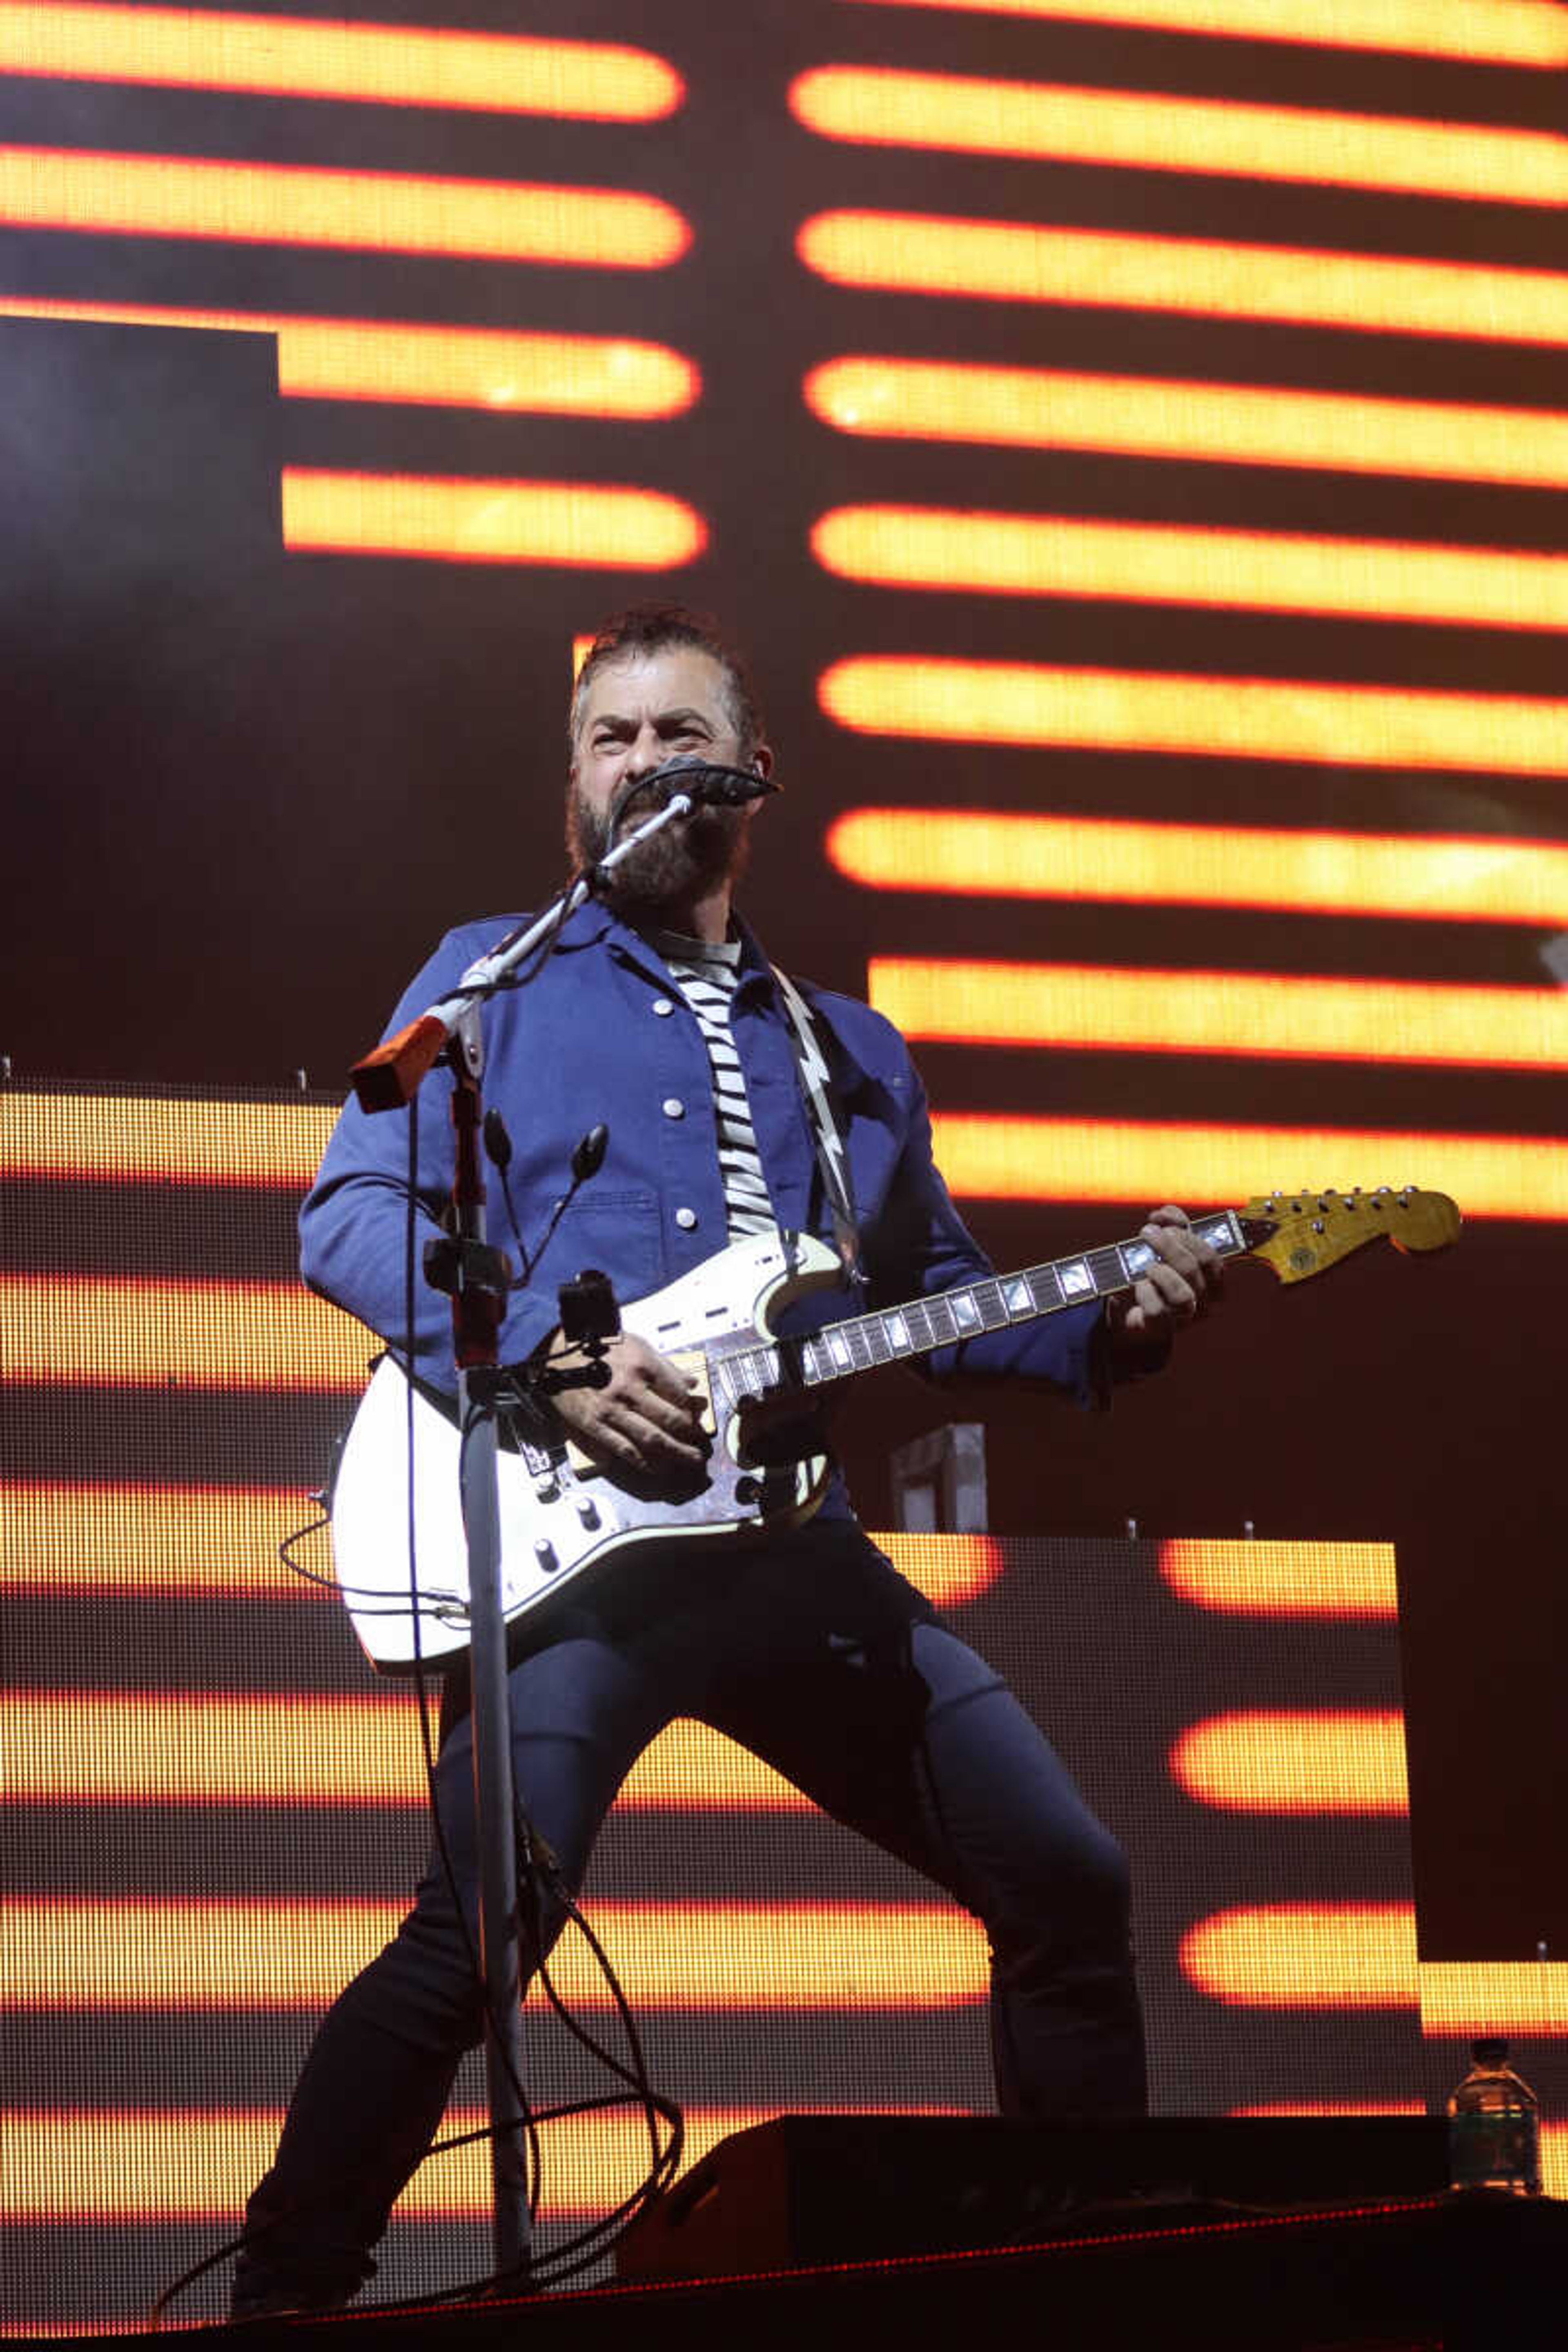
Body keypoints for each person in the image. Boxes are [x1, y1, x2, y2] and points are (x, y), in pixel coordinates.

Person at [232, 605, 1220, 2314]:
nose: (632, 762)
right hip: (576, 1572)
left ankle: (1097, 2284)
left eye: (667, 733)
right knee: (480, 1938)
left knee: (1070, 1880)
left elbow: (938, 1308)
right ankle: (286, 2296)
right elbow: (351, 1215)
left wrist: (1117, 1319)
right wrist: (553, 1350)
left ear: (746, 779)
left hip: (787, 1554)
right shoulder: (494, 982)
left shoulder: (851, 1051)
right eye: (603, 741)